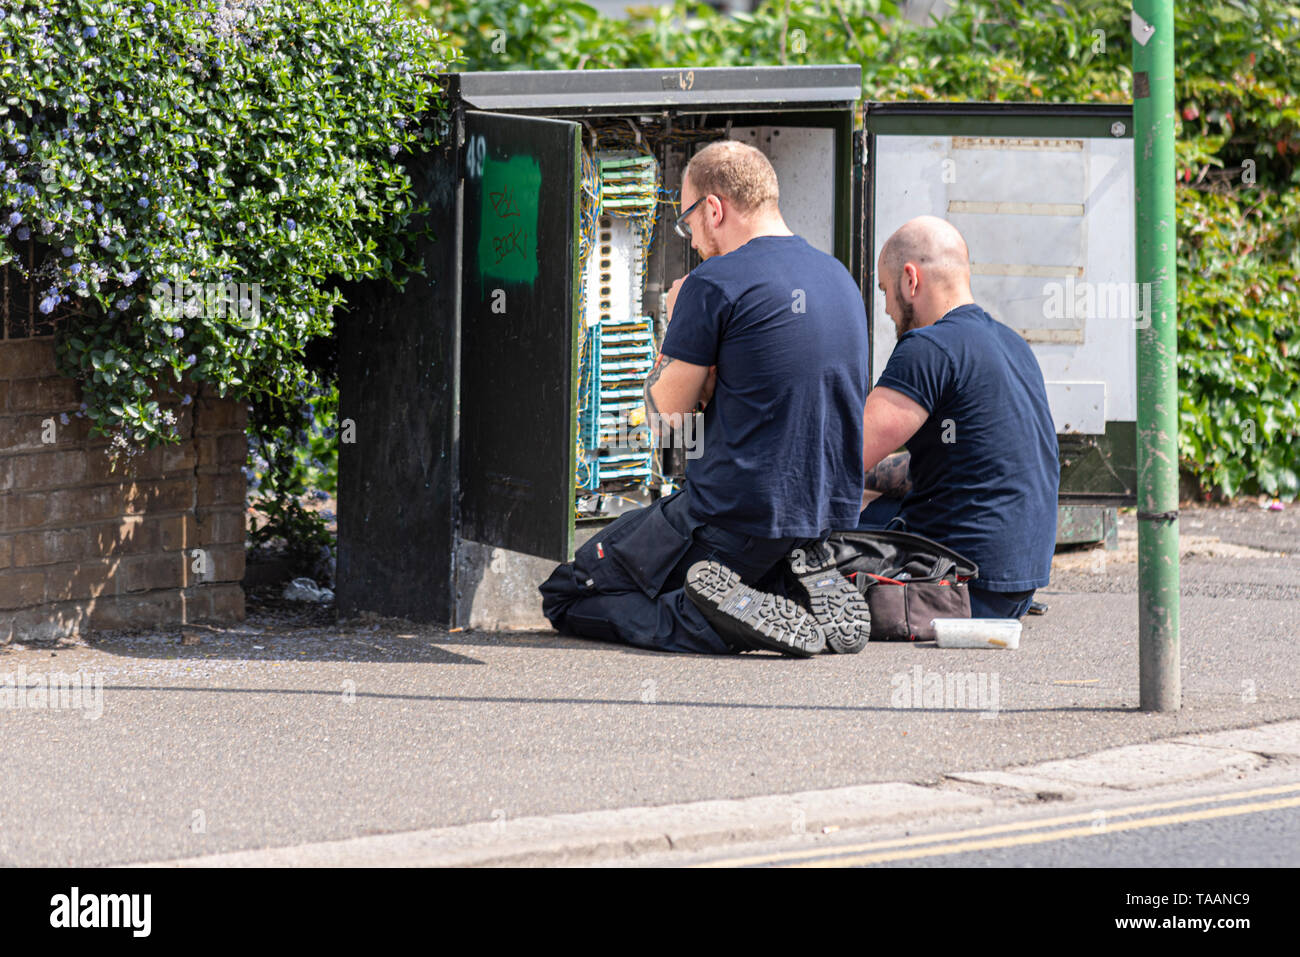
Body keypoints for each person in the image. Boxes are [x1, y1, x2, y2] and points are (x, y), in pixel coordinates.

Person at [540, 140, 870, 656]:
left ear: (714, 209)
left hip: (731, 517)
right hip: (819, 517)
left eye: (688, 221)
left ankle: (713, 619)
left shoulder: (713, 283)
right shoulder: (838, 277)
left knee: (565, 594)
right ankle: (787, 586)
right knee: (702, 573)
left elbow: (663, 417)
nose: (691, 238)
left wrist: (675, 317)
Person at [856, 215, 1059, 618]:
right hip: (1014, 586)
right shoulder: (1011, 344)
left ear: (910, 280)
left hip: (959, 587)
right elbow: (964, 461)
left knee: (807, 539)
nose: (886, 308)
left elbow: (841, 457)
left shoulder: (927, 347)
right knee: (866, 499)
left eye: (884, 291)